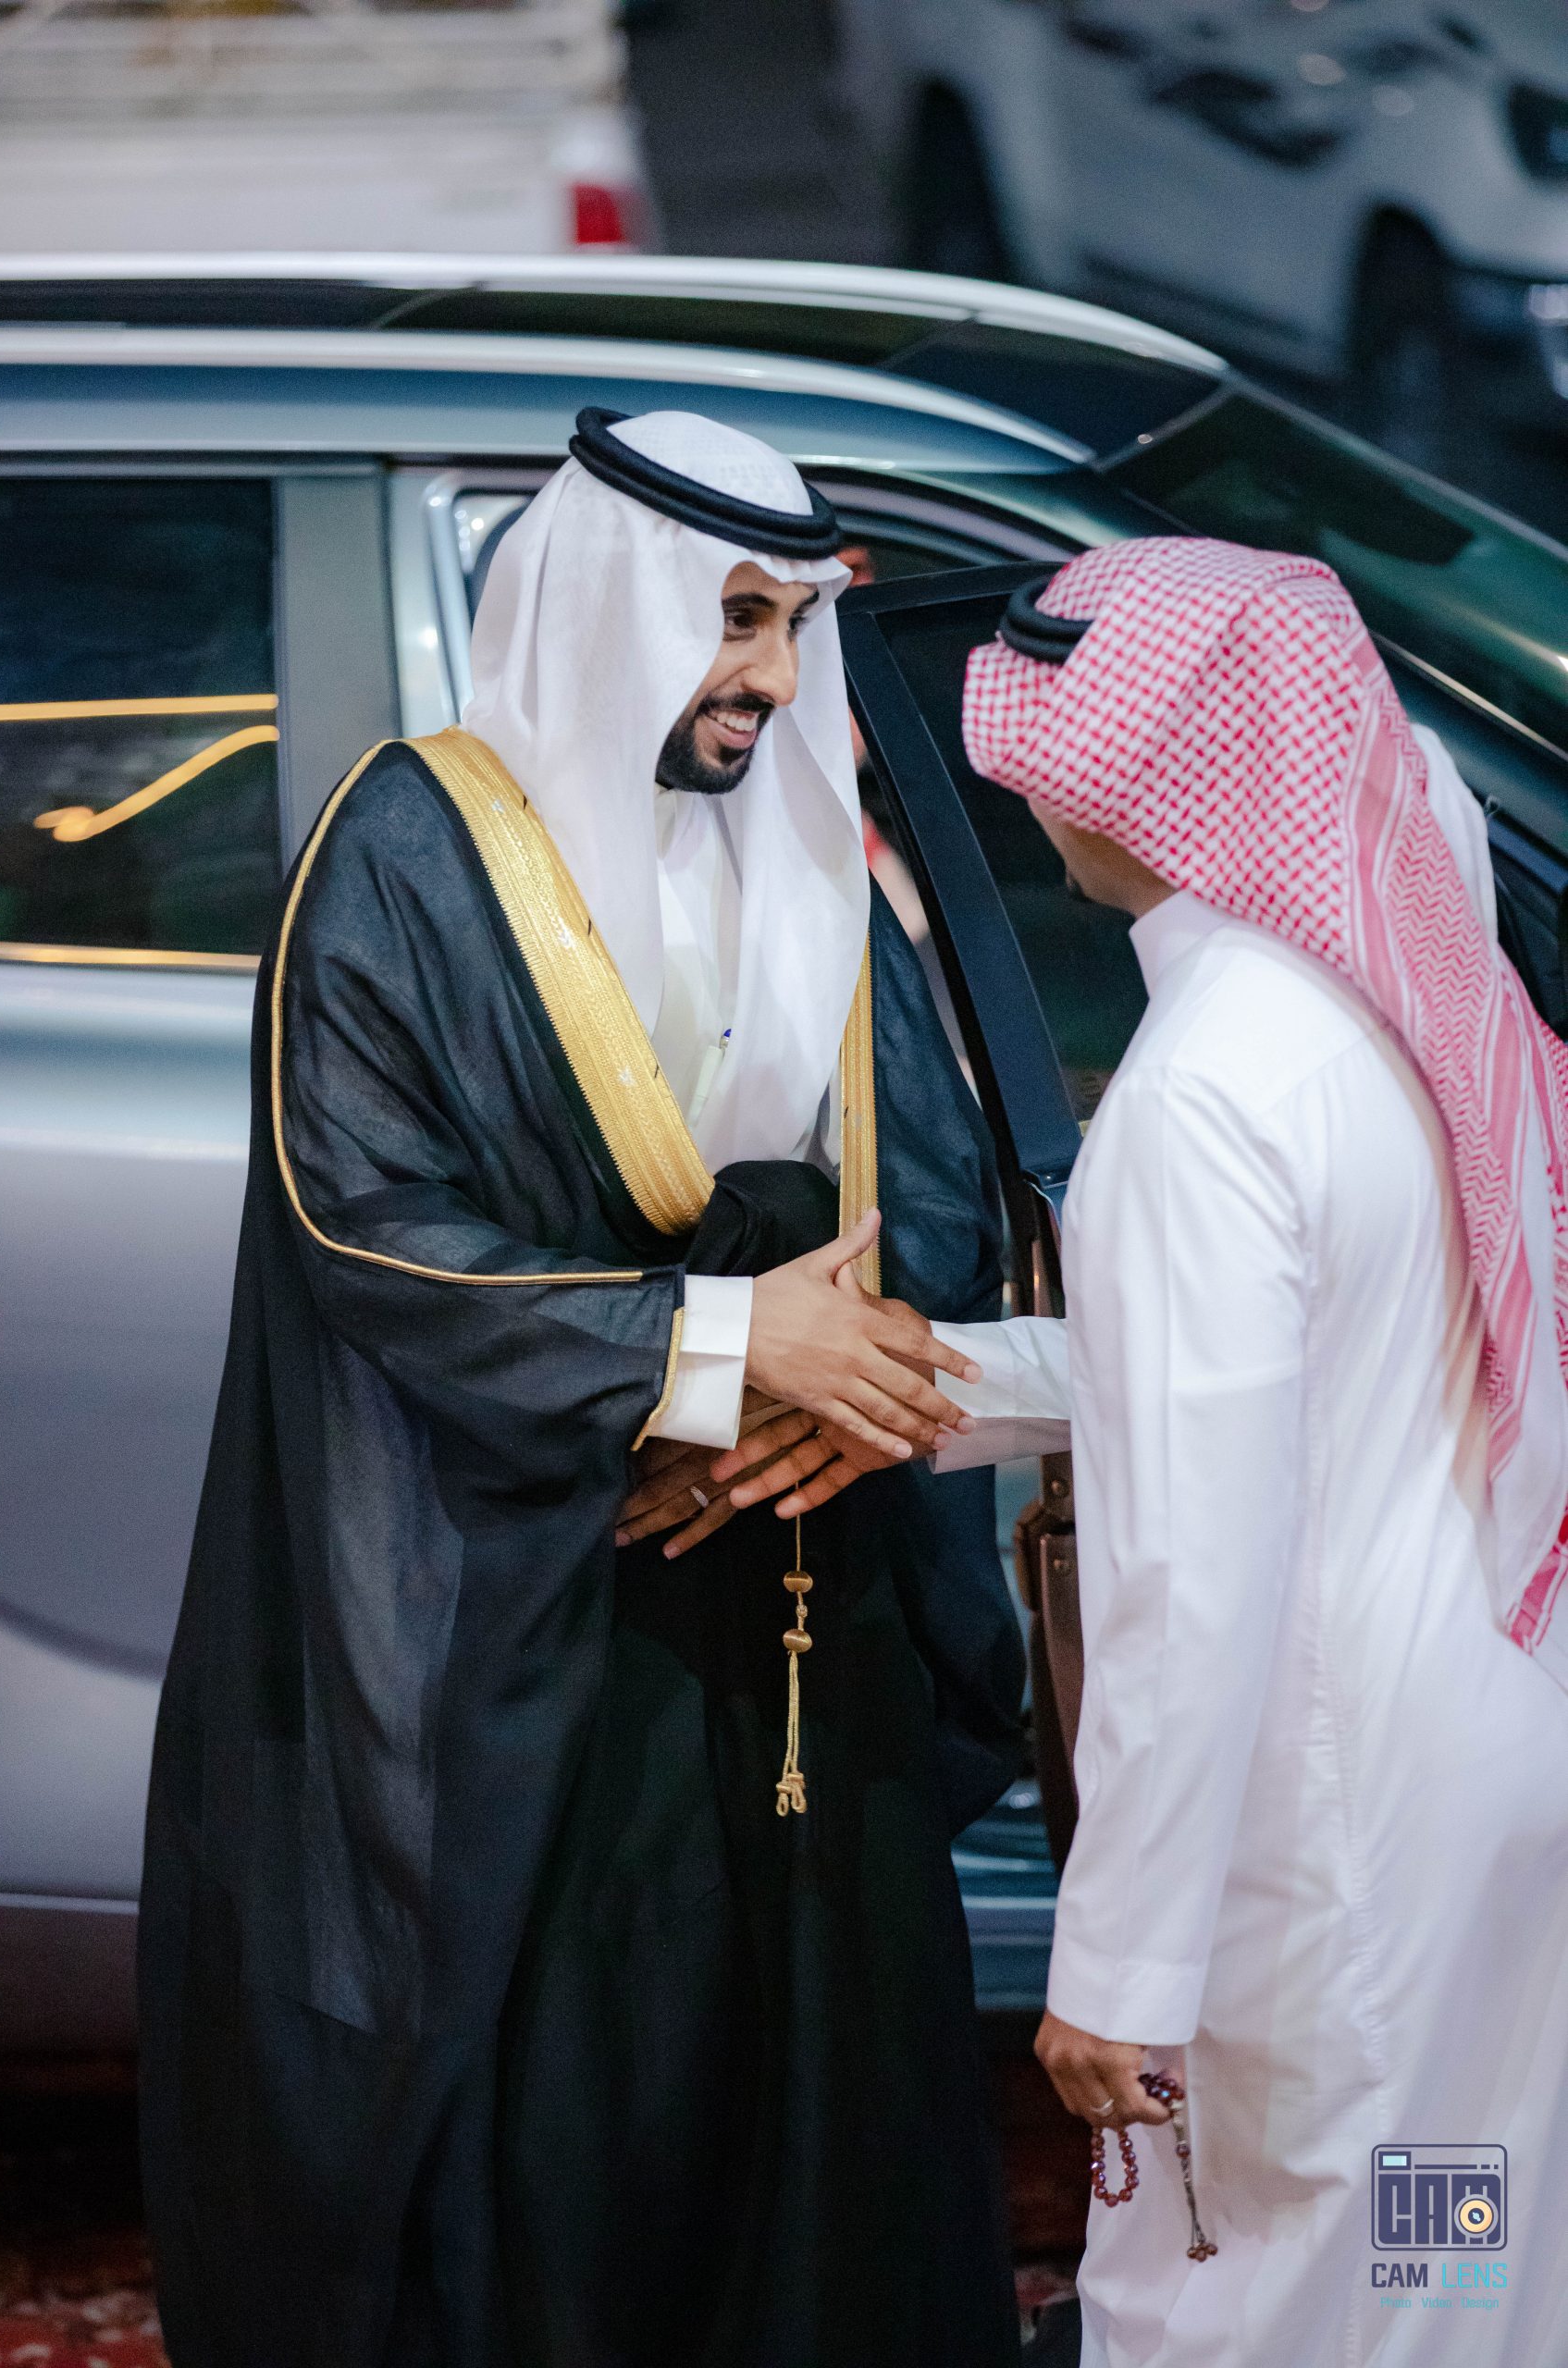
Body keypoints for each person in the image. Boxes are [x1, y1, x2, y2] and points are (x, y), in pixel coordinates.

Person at [137, 407, 1030, 2368]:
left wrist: (806, 1401)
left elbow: (938, 1194)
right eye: (734, 617)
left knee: (820, 2119)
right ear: (613, 599)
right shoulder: (406, 851)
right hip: (536, 1613)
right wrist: (715, 1354)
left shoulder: (815, 848)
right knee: (572, 2125)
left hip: (803, 1602)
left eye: (793, 626)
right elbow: (366, 1227)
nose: (767, 676)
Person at [714, 537, 1568, 2365]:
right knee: (1445, 2276)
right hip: (1478, 1770)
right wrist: (913, 1379)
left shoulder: (1205, 1087)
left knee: (1240, 2303)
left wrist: (1119, 1966)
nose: (1026, 784)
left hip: (1324, 1829)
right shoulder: (1394, 998)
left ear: (1137, 769)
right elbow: (1272, 1373)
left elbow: (1194, 1568)